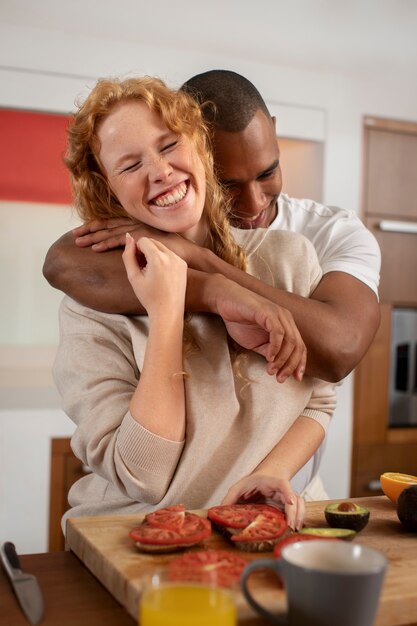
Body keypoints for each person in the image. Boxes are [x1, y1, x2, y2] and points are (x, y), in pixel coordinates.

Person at [54, 75, 336, 532]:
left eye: (168, 146)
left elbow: (318, 400)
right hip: (137, 536)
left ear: (200, 147)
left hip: (269, 525)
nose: (161, 171)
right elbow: (142, 476)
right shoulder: (90, 305)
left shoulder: (288, 258)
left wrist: (273, 471)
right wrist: (167, 311)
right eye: (129, 166)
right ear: (107, 190)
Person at [43, 70, 381, 384]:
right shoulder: (160, 219)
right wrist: (216, 293)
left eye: (267, 173)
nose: (252, 206)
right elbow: (62, 262)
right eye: (227, 183)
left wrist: (200, 260)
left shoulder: (329, 234)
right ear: (200, 151)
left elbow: (339, 351)